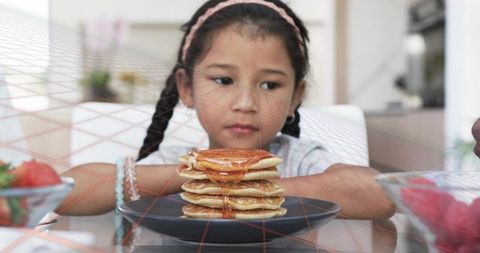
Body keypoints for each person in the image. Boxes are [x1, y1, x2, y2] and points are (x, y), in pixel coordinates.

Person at [58, 0, 395, 220]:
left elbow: (380, 194)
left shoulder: (299, 161)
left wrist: (248, 185)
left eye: (270, 85)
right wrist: (199, 176)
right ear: (186, 88)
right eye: (223, 80)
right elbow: (67, 192)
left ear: (296, 96)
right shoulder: (174, 164)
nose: (245, 104)